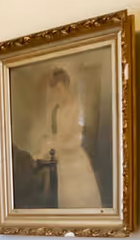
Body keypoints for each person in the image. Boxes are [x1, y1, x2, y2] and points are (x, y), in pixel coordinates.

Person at [31, 68, 101, 208]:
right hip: (63, 165)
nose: (57, 94)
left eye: (59, 89)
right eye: (54, 91)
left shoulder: (78, 107)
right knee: (67, 204)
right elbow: (55, 136)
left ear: (66, 85)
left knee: (84, 203)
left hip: (76, 163)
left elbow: (67, 137)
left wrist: (49, 147)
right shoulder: (57, 111)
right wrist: (43, 150)